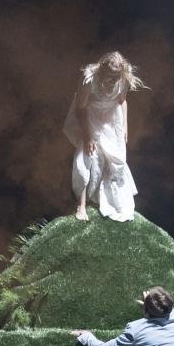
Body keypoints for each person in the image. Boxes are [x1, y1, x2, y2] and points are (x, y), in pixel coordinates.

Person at [63, 51, 146, 222]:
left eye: (117, 76)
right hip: (90, 116)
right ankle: (81, 205)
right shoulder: (89, 79)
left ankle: (109, 200)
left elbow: (122, 101)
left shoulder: (123, 78)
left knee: (115, 158)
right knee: (87, 156)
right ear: (102, 68)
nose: (113, 79)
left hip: (112, 119)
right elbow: (80, 108)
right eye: (110, 75)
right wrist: (88, 136)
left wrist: (125, 126)